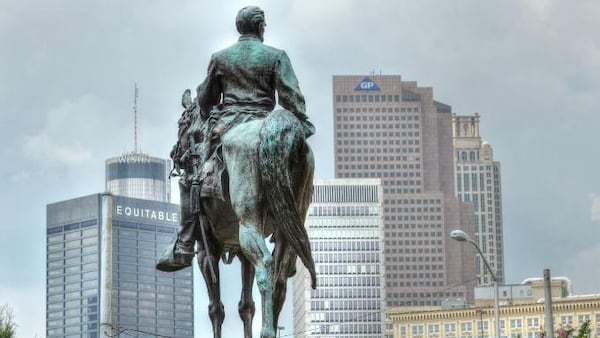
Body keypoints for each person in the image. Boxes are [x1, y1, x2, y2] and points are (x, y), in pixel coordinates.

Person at [156, 5, 314, 272]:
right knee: (301, 176)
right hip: (265, 123)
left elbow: (205, 101)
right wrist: (301, 122)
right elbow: (292, 98)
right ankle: (286, 236)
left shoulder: (220, 58)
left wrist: (213, 109)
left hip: (227, 126)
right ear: (261, 27)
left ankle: (184, 242)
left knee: (191, 177)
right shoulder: (276, 56)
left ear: (239, 28)